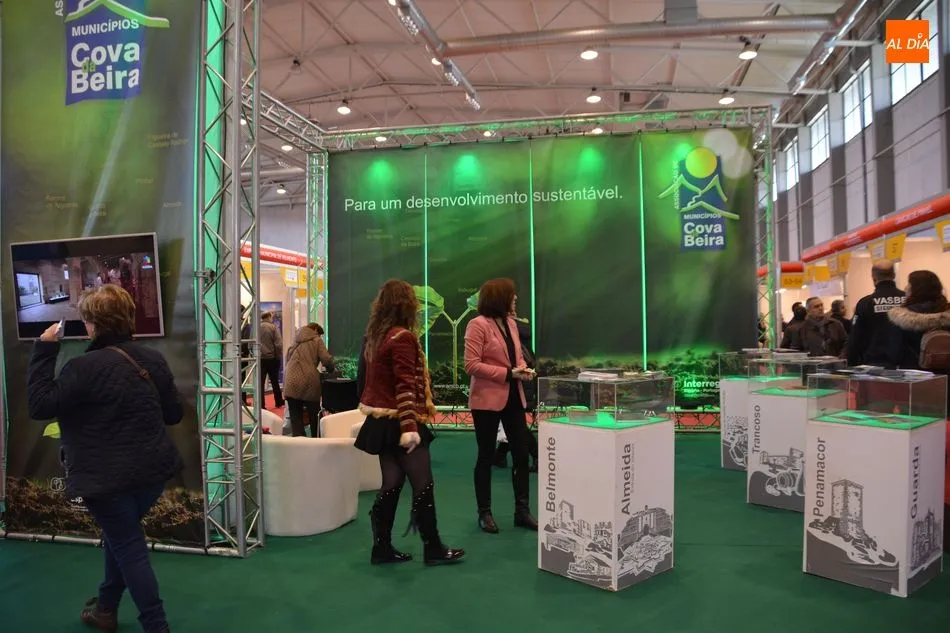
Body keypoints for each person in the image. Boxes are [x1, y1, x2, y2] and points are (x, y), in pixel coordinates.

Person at [27, 284, 182, 633]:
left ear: (92, 323)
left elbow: (40, 405)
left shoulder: (83, 367)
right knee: (121, 539)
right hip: (151, 475)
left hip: (105, 481)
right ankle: (106, 609)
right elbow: (174, 415)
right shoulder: (152, 360)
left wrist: (44, 349)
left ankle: (156, 626)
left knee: (128, 547)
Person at [354, 279, 464, 566]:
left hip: (381, 421)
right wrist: (410, 429)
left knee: (391, 483)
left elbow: (366, 382)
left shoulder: (375, 337)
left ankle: (381, 548)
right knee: (423, 484)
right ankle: (433, 548)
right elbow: (404, 386)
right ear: (407, 305)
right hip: (401, 421)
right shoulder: (402, 337)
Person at [464, 278, 538, 534]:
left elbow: (517, 357)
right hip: (486, 401)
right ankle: (484, 513)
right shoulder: (477, 325)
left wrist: (523, 370)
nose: (515, 298)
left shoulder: (511, 324)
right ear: (499, 298)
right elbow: (471, 365)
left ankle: (522, 511)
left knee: (521, 454)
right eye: (512, 295)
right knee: (485, 456)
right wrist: (508, 373)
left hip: (514, 397)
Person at [494, 312, 540, 472]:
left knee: (516, 425)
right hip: (517, 380)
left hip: (516, 381)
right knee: (509, 422)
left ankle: (537, 456)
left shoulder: (510, 327)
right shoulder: (519, 328)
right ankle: (500, 455)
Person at [847, 259, 905, 366]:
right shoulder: (907, 299)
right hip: (905, 362)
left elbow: (855, 337)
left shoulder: (866, 303)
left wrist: (851, 363)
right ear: (894, 275)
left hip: (875, 362)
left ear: (874, 277)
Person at [283, 323, 334, 437]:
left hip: (290, 378)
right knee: (314, 413)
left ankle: (299, 441)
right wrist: (331, 369)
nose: (319, 336)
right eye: (319, 334)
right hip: (309, 379)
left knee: (295, 416)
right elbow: (326, 359)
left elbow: (287, 358)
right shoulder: (316, 340)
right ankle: (316, 439)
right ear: (315, 330)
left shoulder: (296, 339)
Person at [259, 311, 284, 408]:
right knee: (274, 381)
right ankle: (278, 401)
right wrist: (278, 356)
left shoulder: (256, 328)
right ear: (269, 317)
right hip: (272, 358)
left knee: (260, 383)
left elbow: (251, 342)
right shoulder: (273, 328)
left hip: (260, 359)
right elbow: (278, 344)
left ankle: (261, 405)